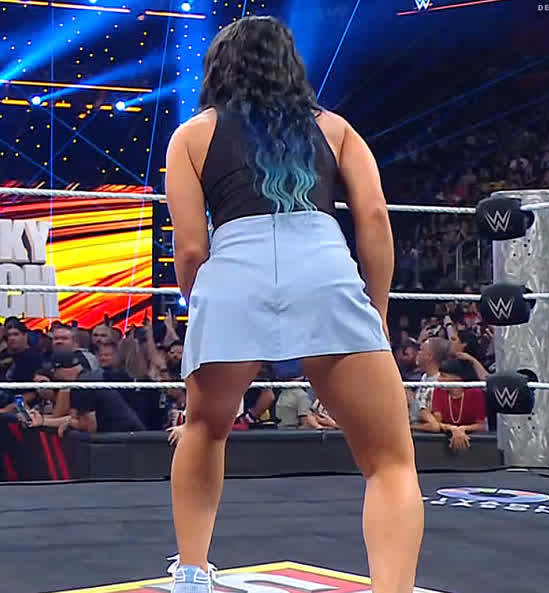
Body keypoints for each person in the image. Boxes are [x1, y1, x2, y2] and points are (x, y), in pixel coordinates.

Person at [165, 16, 422, 593]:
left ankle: (192, 573)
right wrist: (377, 310)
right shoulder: (336, 129)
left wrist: (202, 305)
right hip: (324, 271)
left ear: (219, 70)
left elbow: (191, 247)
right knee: (389, 460)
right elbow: (375, 219)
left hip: (233, 275)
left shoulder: (192, 136)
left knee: (204, 427)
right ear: (291, 66)